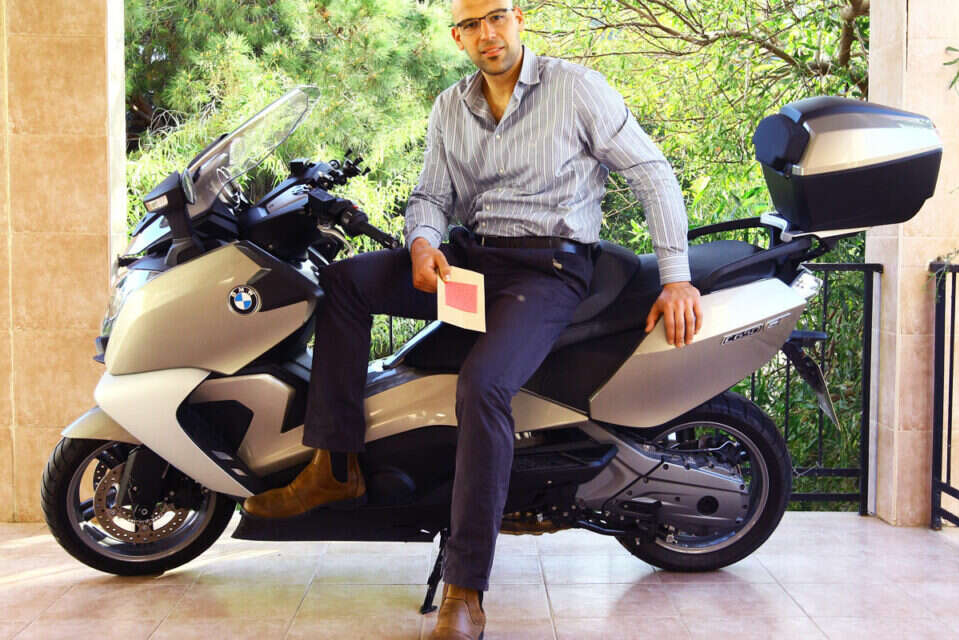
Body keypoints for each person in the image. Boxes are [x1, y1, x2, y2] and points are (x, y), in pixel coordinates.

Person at [243, 1, 703, 637]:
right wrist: (423, 244)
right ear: (457, 37)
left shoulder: (576, 89)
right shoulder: (450, 107)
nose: (489, 34)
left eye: (498, 16)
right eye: (473, 25)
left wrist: (676, 277)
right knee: (345, 283)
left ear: (519, 20)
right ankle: (336, 470)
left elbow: (651, 172)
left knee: (483, 386)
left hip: (549, 270)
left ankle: (465, 589)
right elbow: (432, 196)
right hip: (473, 260)